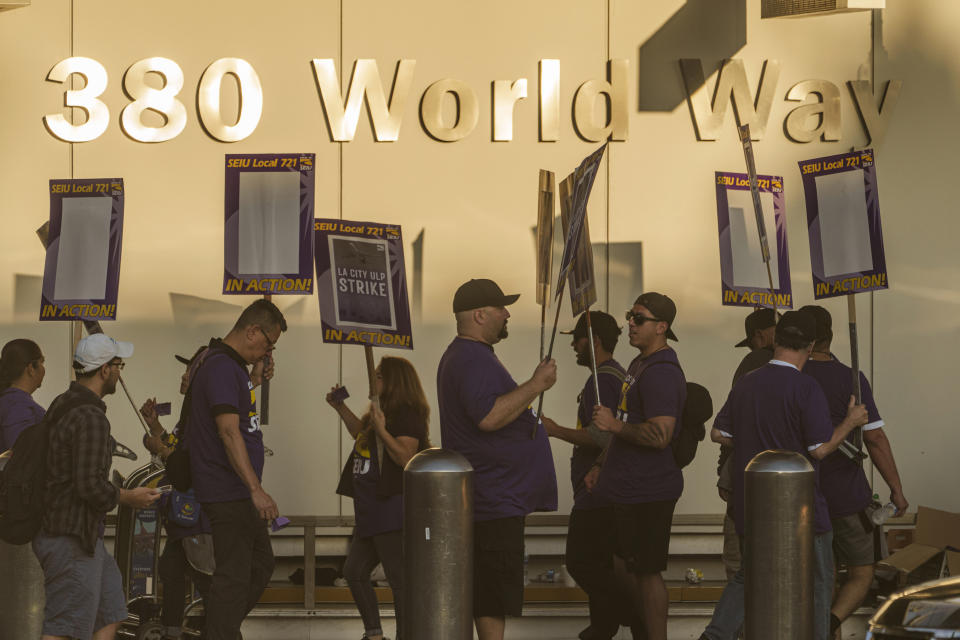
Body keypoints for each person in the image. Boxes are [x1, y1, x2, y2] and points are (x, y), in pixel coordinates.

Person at [699, 311, 869, 640]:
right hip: (801, 507)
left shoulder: (748, 382)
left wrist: (751, 440)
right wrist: (850, 422)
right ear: (811, 345)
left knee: (749, 576)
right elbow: (819, 449)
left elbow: (718, 433)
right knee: (818, 579)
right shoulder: (807, 387)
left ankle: (716, 635)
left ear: (776, 340)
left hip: (753, 503)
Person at [437, 278, 558, 640]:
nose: (507, 314)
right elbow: (488, 416)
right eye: (501, 308)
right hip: (492, 499)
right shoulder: (470, 358)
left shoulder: (472, 356)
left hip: (494, 497)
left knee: (487, 592)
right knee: (489, 594)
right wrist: (535, 385)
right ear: (479, 314)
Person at [33, 333, 161, 640]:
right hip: (71, 537)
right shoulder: (91, 417)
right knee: (65, 627)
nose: (120, 372)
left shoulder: (63, 403)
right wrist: (128, 497)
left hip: (74, 535)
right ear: (105, 370)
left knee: (111, 610)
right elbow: (88, 486)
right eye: (119, 365)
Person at [798, 304, 908, 638]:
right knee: (862, 572)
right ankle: (828, 625)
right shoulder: (851, 378)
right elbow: (874, 438)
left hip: (800, 495)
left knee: (822, 574)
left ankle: (819, 628)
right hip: (847, 494)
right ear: (828, 336)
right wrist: (897, 490)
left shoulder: (791, 377)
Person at [186, 299, 286, 640]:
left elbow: (241, 418)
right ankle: (220, 630)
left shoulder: (234, 370)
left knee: (260, 566)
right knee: (235, 576)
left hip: (238, 491)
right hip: (227, 490)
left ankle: (218, 627)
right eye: (268, 343)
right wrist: (255, 489)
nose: (267, 351)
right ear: (252, 330)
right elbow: (228, 431)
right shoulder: (221, 367)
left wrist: (254, 381)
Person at [591, 292, 687, 640]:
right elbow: (627, 420)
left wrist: (613, 427)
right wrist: (601, 463)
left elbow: (661, 435)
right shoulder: (639, 364)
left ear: (661, 327)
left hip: (649, 490)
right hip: (627, 488)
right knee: (622, 565)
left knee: (646, 572)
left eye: (639, 318)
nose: (630, 323)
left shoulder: (661, 371)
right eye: (630, 315)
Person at [540, 311, 638, 640]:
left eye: (577, 339)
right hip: (605, 490)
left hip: (598, 491)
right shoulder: (614, 377)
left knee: (580, 561)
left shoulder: (604, 380)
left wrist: (555, 430)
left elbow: (604, 436)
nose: (572, 345)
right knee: (602, 564)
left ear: (594, 341)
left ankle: (630, 610)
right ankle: (604, 626)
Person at [326, 356, 430, 640]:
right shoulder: (380, 411)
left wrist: (382, 429)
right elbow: (360, 434)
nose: (374, 381)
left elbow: (405, 456)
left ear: (395, 380)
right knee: (354, 571)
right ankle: (374, 633)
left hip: (390, 506)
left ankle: (406, 634)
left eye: (379, 376)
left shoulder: (408, 413)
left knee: (398, 578)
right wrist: (340, 407)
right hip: (370, 506)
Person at [140, 347, 218, 640]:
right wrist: (155, 425)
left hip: (199, 519)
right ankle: (172, 634)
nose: (183, 376)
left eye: (188, 370)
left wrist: (159, 447)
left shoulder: (205, 413)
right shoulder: (189, 414)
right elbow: (174, 445)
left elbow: (181, 457)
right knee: (171, 574)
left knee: (208, 584)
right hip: (181, 520)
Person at [717, 307, 776, 582]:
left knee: (739, 565)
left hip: (744, 475)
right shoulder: (771, 362)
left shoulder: (752, 363)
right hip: (775, 479)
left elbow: (728, 424)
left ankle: (736, 624)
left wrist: (723, 468)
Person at [0, 338, 46, 451]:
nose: (44, 369)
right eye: (42, 362)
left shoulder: (10, 401)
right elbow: (23, 455)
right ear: (31, 368)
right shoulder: (18, 406)